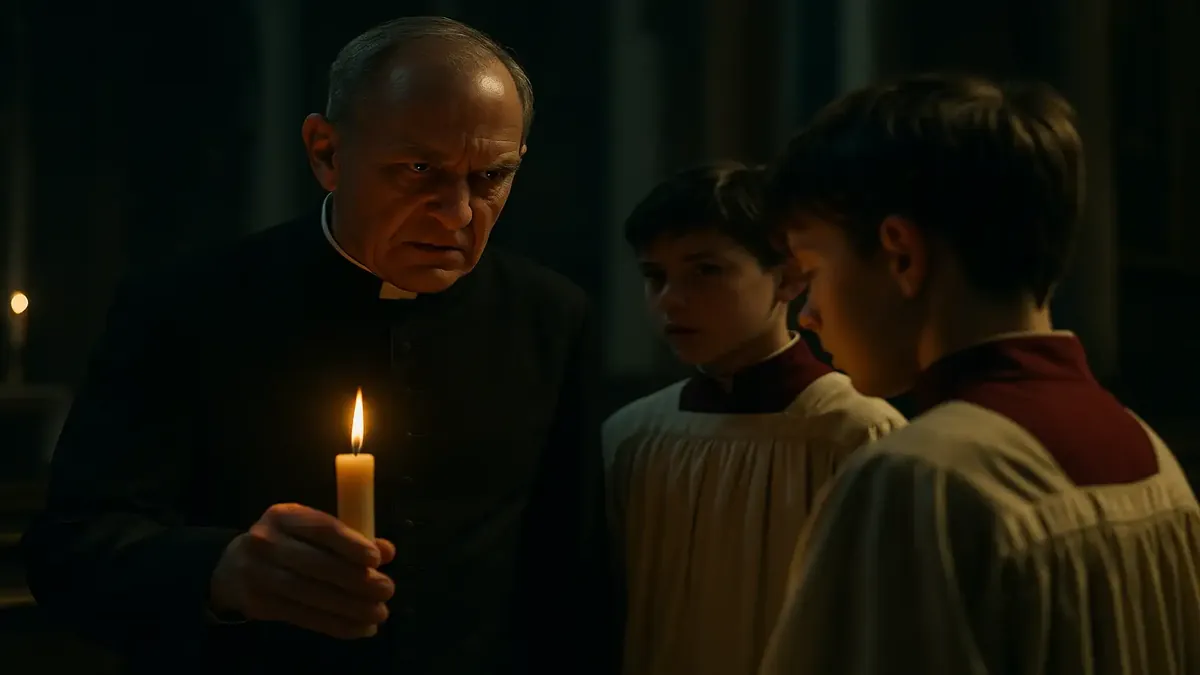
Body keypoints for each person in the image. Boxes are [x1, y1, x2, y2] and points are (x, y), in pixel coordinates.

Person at [22, 16, 616, 675]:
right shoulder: (187, 307)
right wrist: (221, 571)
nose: (457, 214)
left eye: (491, 176)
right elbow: (70, 550)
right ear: (326, 152)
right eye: (420, 169)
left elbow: (573, 570)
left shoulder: (550, 316)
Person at [758, 73, 1200, 674]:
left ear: (901, 255)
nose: (805, 314)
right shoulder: (1153, 456)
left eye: (811, 269)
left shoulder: (918, 481)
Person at [602, 163, 904, 675]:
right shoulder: (633, 436)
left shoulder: (855, 434)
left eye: (706, 271)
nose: (671, 300)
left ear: (786, 277)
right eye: (655, 276)